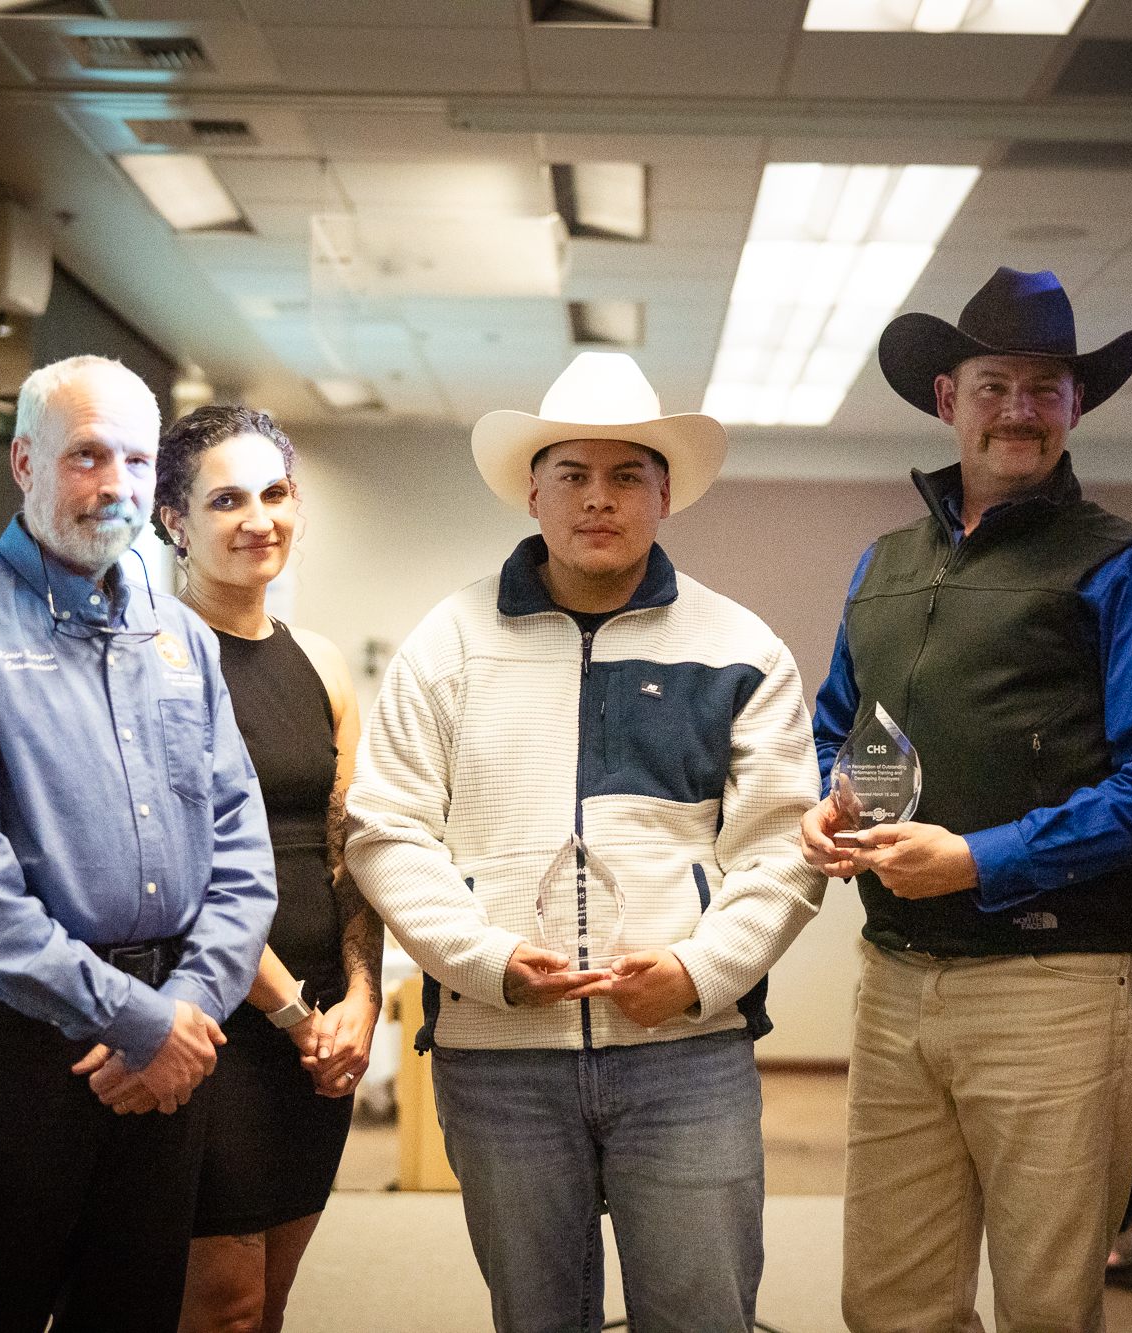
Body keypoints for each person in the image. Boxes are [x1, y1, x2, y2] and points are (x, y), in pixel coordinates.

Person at [345, 351, 826, 1333]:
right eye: (572, 474)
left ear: (664, 495)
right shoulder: (447, 643)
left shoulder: (742, 649)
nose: (597, 500)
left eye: (625, 476)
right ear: (531, 490)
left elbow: (783, 851)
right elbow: (386, 832)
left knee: (701, 1315)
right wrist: (483, 963)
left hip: (685, 1054)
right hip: (497, 1055)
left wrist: (695, 969)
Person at [799, 266, 1132, 1333]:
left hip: (1054, 986)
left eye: (1045, 387)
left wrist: (981, 857)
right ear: (947, 399)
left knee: (1043, 1304)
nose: (1018, 409)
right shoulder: (881, 565)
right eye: (994, 385)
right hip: (891, 981)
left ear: (1076, 407)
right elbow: (834, 731)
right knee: (889, 1304)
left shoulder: (1129, 568)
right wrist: (821, 802)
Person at [0, 355, 278, 1331]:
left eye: (137, 461)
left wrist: (181, 1007)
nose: (117, 486)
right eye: (87, 456)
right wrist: (140, 1023)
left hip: (174, 1032)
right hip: (21, 1038)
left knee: (135, 1309)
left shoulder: (181, 637)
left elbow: (240, 849)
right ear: (23, 461)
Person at [153, 405, 383, 1333]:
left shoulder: (320, 662)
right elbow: (184, 874)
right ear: (174, 520)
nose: (261, 519)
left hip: (322, 1029)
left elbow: (349, 848)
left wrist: (363, 997)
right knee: (223, 1306)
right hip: (212, 1020)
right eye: (227, 499)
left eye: (277, 493)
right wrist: (293, 1013)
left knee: (271, 1302)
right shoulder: (151, 660)